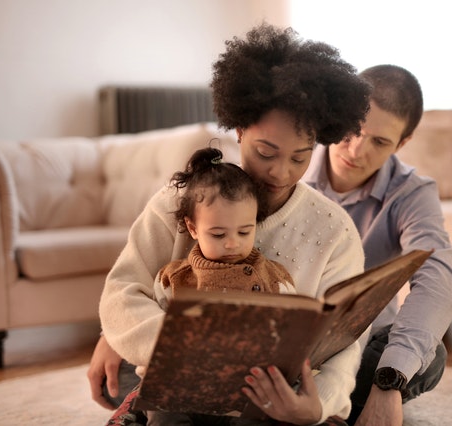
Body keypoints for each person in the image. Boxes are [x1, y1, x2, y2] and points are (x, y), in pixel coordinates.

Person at [89, 23, 371, 426]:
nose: (280, 172)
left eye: (299, 157)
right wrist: (167, 350)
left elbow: (345, 338)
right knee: (117, 378)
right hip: (179, 370)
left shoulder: (334, 228)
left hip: (275, 388)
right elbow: (122, 291)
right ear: (239, 129)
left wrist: (319, 404)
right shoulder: (179, 202)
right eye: (265, 151)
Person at [302, 64, 452, 426]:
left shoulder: (411, 192)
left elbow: (440, 281)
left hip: (359, 348)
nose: (356, 151)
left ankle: (339, 400)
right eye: (353, 130)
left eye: (380, 142)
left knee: (429, 355)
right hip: (285, 343)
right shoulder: (290, 163)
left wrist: (388, 382)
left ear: (402, 144)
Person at [153, 147, 296, 306]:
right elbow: (162, 325)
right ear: (193, 228)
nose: (232, 244)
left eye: (244, 232)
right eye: (218, 235)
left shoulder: (275, 277)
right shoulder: (173, 279)